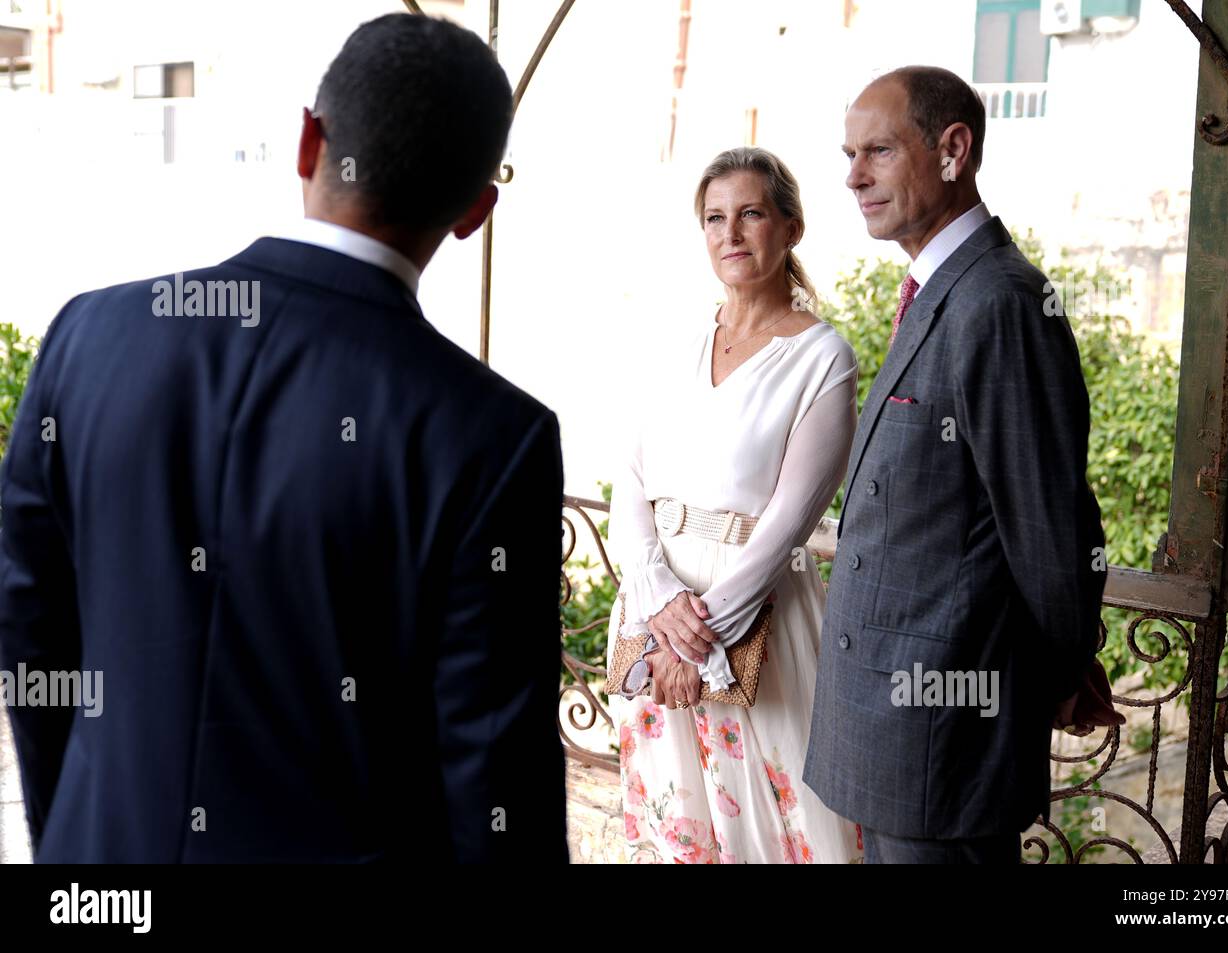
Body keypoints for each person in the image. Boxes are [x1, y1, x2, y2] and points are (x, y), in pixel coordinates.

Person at [0, 13, 566, 863]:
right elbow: (494, 777)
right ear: (475, 212)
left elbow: (31, 631)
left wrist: (75, 839)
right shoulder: (491, 436)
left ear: (309, 140)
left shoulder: (91, 335)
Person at [803, 66, 1108, 864]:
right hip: (897, 734)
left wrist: (1065, 669)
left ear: (952, 149)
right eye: (848, 154)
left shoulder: (1000, 303)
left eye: (876, 151)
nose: (853, 176)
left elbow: (1051, 531)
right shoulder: (943, 289)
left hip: (945, 742)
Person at [607, 146, 863, 864]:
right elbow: (629, 478)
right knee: (677, 822)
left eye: (751, 213)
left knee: (780, 825)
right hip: (657, 616)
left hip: (756, 624)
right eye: (715, 218)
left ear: (790, 227)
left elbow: (792, 518)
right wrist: (659, 603)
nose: (731, 232)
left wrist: (703, 633)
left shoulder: (823, 358)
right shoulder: (676, 343)